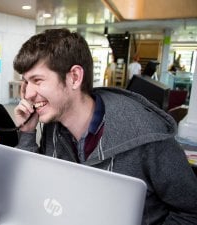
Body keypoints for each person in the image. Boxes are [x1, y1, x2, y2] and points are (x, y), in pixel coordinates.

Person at [13, 28, 197, 225]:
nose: (28, 94)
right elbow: (35, 191)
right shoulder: (53, 127)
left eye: (37, 81)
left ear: (74, 77)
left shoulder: (148, 136)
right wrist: (27, 132)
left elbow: (191, 213)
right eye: (26, 82)